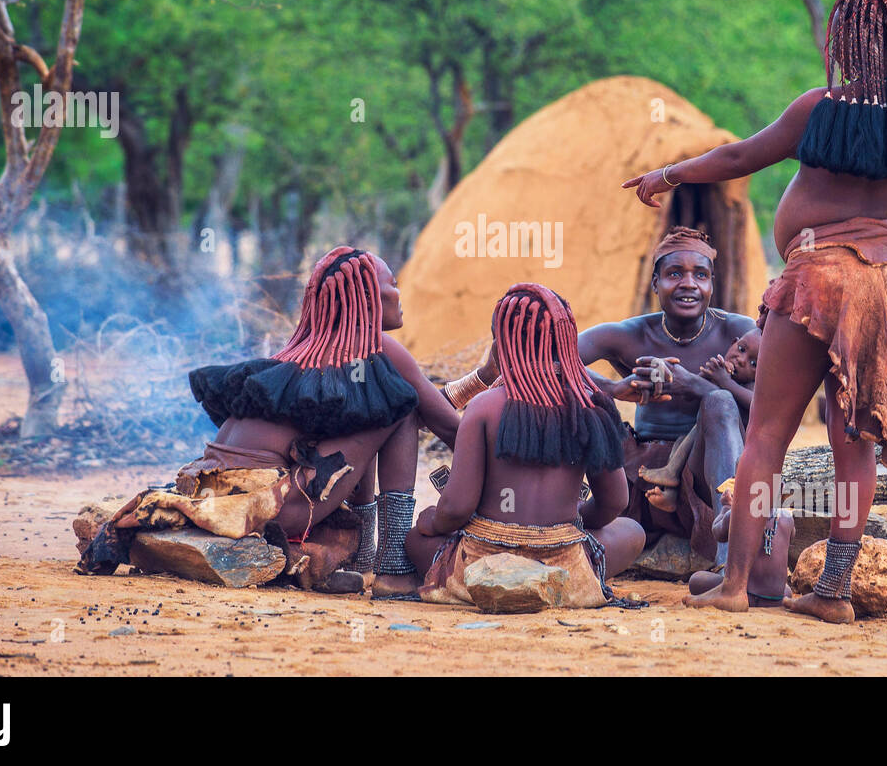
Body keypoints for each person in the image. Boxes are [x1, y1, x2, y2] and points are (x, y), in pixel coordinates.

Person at [624, 0, 887, 622]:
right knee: (855, 439)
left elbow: (744, 155)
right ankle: (832, 592)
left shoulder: (821, 107)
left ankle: (737, 583)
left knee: (769, 433)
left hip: (823, 277)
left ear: (846, 40)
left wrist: (670, 174)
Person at [83, 246, 494, 597]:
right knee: (398, 407)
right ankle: (392, 569)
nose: (400, 293)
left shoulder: (309, 348)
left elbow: (418, 406)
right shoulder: (381, 351)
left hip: (214, 492)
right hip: (274, 506)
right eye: (394, 284)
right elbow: (448, 428)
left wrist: (481, 379)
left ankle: (366, 556)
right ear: (370, 299)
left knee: (390, 403)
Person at [407, 283, 645, 608]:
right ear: (566, 343)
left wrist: (433, 522)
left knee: (415, 538)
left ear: (499, 345)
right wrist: (569, 520)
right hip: (566, 569)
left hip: (479, 566)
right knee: (631, 531)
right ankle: (552, 588)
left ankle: (497, 590)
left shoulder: (484, 406)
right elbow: (615, 502)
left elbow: (457, 508)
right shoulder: (591, 404)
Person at [576, 227, 756, 567]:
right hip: (642, 480)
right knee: (584, 403)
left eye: (700, 275)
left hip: (708, 480)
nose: (689, 284)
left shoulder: (739, 334)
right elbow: (546, 357)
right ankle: (545, 521)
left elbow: (768, 409)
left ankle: (728, 560)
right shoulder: (633, 333)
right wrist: (614, 389)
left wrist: (695, 385)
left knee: (719, 402)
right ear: (655, 284)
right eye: (675, 274)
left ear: (712, 284)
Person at [639, 326, 762, 509]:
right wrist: (705, 376)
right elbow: (689, 398)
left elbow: (755, 407)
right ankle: (670, 488)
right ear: (733, 343)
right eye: (741, 349)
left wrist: (725, 382)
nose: (742, 360)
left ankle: (671, 473)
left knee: (711, 412)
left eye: (754, 364)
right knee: (682, 439)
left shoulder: (752, 386)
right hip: (701, 454)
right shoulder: (721, 372)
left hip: (733, 456)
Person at [686, 481, 793, 607]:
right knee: (787, 591)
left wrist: (726, 507)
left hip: (744, 593)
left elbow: (717, 532)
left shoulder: (737, 514)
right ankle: (769, 596)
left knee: (696, 579)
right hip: (775, 598)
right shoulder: (787, 518)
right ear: (781, 488)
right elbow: (790, 538)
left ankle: (737, 592)